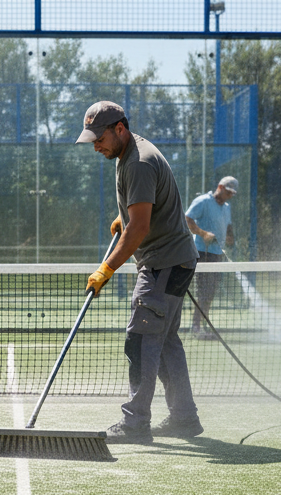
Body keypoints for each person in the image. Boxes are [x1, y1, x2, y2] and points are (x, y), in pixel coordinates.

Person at [75, 100, 204, 443]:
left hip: (163, 263)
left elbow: (139, 230)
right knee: (163, 344)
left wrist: (106, 269)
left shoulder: (139, 163)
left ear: (119, 128)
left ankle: (135, 424)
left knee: (141, 341)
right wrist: (127, 215)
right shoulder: (131, 152)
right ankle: (184, 419)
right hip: (175, 260)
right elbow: (142, 212)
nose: (95, 146)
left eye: (98, 138)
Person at [184, 176, 237, 336]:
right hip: (201, 253)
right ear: (220, 187)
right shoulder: (203, 201)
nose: (230, 196)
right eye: (228, 192)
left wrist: (230, 237)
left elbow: (228, 226)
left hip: (216, 255)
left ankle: (203, 325)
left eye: (232, 194)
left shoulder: (226, 207)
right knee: (203, 291)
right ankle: (196, 327)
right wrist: (203, 233)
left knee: (211, 291)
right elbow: (187, 219)